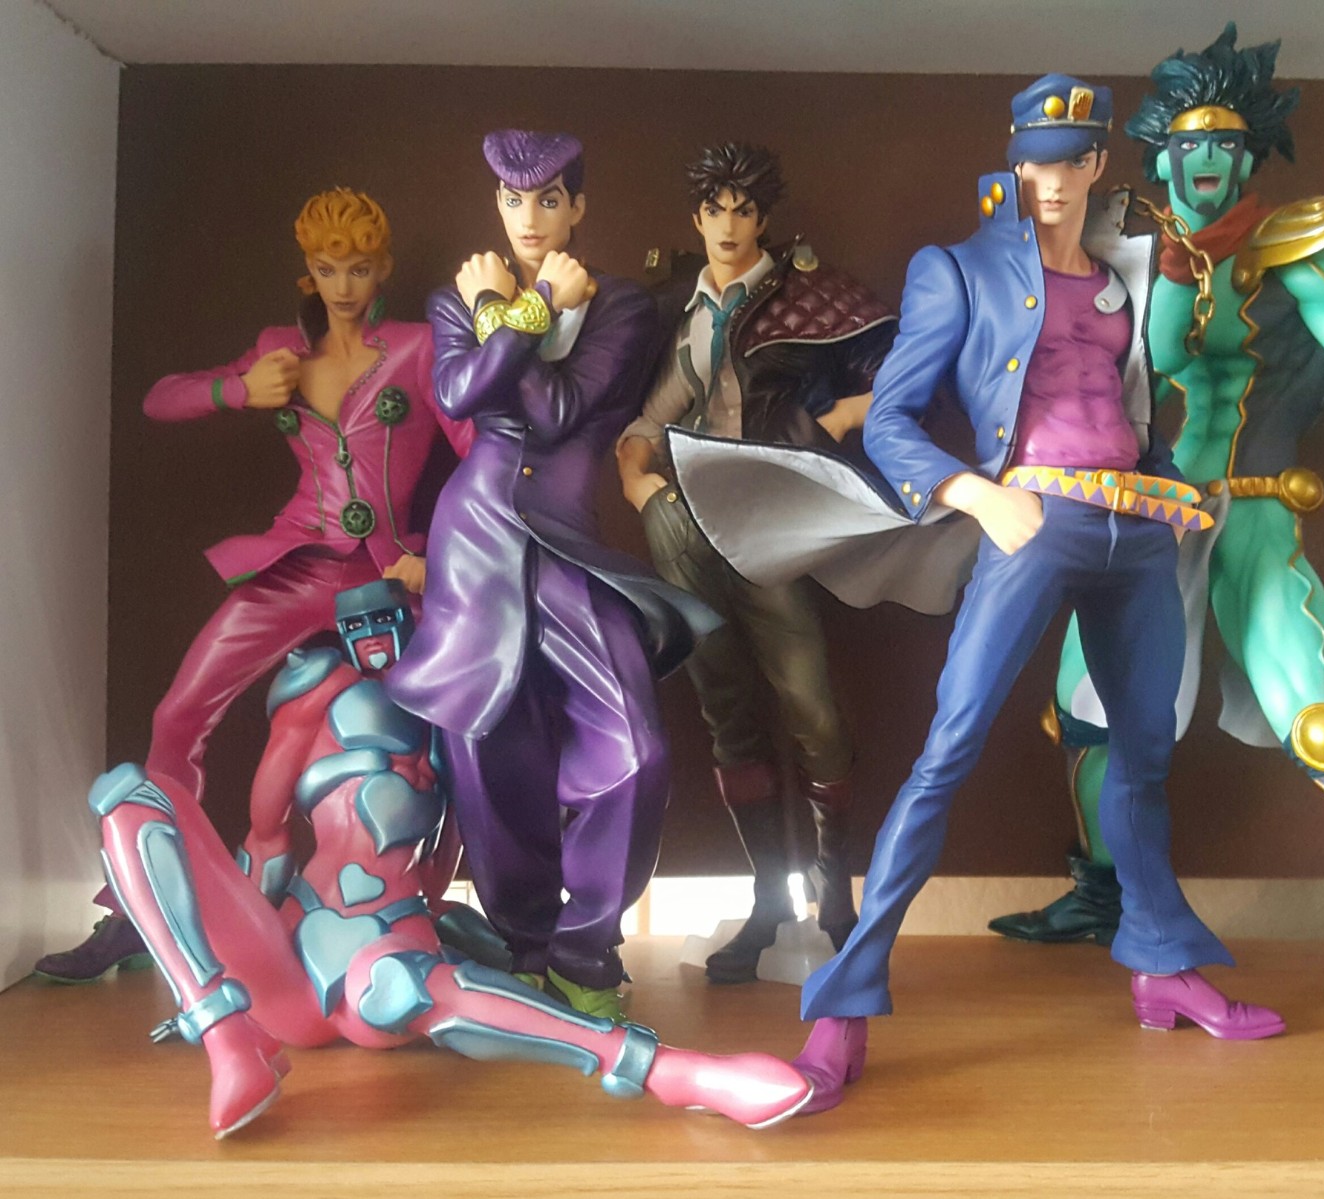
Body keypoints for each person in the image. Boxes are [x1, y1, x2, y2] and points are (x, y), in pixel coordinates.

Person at [989, 26, 1324, 1147]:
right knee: (1080, 717)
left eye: (1227, 144)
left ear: (1252, 154)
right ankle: (1102, 888)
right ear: (1157, 155)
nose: (1207, 163)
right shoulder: (1119, 257)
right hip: (1145, 523)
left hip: (1256, 517)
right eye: (1188, 144)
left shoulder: (1304, 248)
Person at [780, 74, 1282, 1113]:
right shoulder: (960, 269)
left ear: (1096, 165)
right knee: (948, 750)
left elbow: (1131, 417)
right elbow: (891, 421)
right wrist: (976, 494)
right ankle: (844, 1002)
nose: (1049, 180)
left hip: (1135, 528)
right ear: (1015, 164)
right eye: (1033, 161)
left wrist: (1176, 493)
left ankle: (1161, 965)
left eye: (1068, 161)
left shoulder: (1124, 277)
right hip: (1034, 518)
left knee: (1143, 755)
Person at [93, 580, 811, 1138]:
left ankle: (672, 1070)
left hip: (385, 950)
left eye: (386, 620)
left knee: (402, 988)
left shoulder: (455, 713)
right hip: (290, 949)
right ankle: (223, 1037)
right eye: (357, 626)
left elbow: (463, 842)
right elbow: (266, 837)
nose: (372, 639)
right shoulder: (319, 692)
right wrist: (229, 968)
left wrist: (447, 923)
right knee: (127, 795)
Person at [37, 188, 472, 983]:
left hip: (385, 576)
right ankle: (143, 906)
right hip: (295, 565)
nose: (343, 285)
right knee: (179, 713)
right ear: (308, 270)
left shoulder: (417, 348)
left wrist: (438, 555)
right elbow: (160, 399)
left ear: (383, 269)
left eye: (359, 268)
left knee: (448, 733)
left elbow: (482, 451)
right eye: (327, 268)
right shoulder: (282, 350)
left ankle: (425, 910)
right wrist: (237, 390)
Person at [384, 130, 715, 1020]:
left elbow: (557, 408)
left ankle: (584, 945)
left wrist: (508, 313)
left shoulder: (621, 304)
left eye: (546, 199)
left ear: (577, 206)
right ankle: (524, 945)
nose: (527, 217)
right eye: (511, 199)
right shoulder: (458, 295)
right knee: (488, 745)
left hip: (567, 539)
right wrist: (523, 309)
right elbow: (457, 394)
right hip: (475, 536)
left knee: (635, 749)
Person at [617, 143, 896, 983]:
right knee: (727, 714)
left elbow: (897, 376)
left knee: (815, 711)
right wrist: (639, 484)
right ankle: (767, 899)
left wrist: (837, 420)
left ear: (763, 219)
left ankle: (833, 892)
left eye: (743, 210)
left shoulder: (805, 293)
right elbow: (648, 418)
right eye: (716, 210)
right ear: (696, 217)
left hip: (770, 521)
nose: (729, 225)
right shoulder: (684, 308)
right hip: (686, 524)